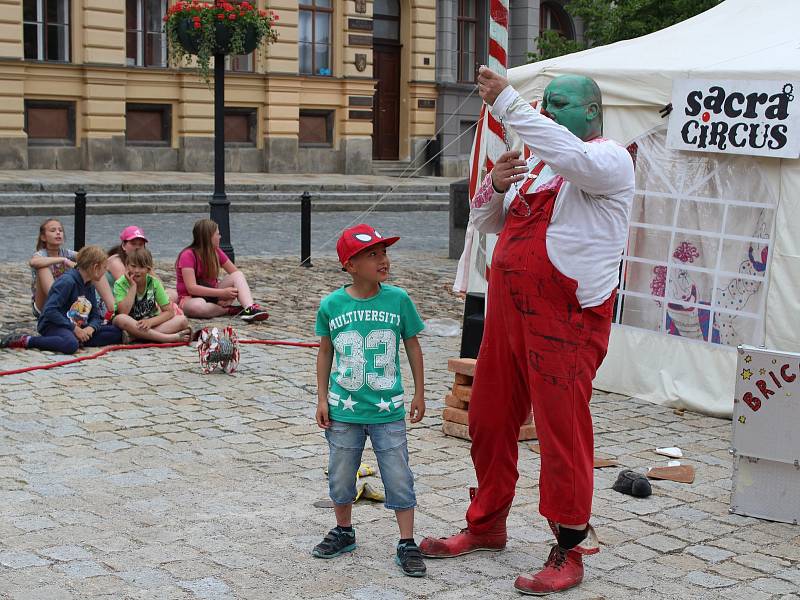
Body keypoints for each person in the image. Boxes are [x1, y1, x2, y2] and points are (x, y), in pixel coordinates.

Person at [419, 67, 635, 595]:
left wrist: (508, 103)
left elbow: (573, 158)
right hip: (508, 314)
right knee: (489, 419)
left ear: (590, 111)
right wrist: (493, 186)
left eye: (558, 103)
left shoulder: (607, 160)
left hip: (566, 321)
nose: (546, 111)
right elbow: (489, 223)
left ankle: (569, 546)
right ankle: (487, 522)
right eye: (543, 102)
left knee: (562, 433)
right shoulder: (537, 164)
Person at [312, 223, 427, 577]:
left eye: (384, 252)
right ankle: (344, 531)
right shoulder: (332, 305)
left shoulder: (398, 300)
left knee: (398, 474)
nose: (383, 260)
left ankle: (407, 541)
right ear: (350, 265)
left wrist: (420, 391)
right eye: (372, 254)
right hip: (344, 410)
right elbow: (325, 351)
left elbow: (412, 345)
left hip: (387, 410)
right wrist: (321, 398)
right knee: (340, 473)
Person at [1, 245, 123, 353]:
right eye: (104, 267)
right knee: (70, 345)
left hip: (78, 326)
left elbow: (95, 315)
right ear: (95, 267)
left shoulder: (89, 284)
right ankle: (28, 340)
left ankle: (76, 338)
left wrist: (91, 328)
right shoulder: (67, 281)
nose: (105, 271)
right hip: (55, 324)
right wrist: (74, 329)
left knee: (116, 333)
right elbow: (50, 311)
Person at [175, 219, 268, 322]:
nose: (220, 237)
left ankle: (249, 308)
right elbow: (192, 288)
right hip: (190, 298)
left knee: (238, 275)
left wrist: (231, 296)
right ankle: (228, 310)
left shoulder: (216, 252)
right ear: (209, 237)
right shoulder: (187, 255)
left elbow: (235, 273)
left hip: (213, 294)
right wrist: (222, 293)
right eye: (217, 234)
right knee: (197, 307)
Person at [112, 247, 191, 344]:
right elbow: (123, 312)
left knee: (182, 320)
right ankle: (168, 338)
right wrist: (133, 287)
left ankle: (135, 337)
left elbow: (169, 312)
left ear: (148, 269)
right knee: (120, 319)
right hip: (130, 324)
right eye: (133, 266)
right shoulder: (120, 283)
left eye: (141, 267)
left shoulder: (154, 283)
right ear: (127, 266)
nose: (136, 270)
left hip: (149, 324)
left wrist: (151, 322)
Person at [96, 225, 179, 313]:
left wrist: (147, 267)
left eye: (140, 244)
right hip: (118, 301)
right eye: (133, 244)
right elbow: (129, 287)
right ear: (124, 245)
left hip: (137, 298)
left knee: (172, 294)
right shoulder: (116, 262)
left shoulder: (141, 263)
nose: (137, 247)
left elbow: (159, 285)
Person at [29, 218, 77, 318]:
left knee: (90, 264)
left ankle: (107, 309)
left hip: (67, 301)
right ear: (43, 237)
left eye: (60, 230)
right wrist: (63, 260)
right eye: (53, 230)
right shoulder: (41, 254)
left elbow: (88, 257)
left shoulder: (67, 253)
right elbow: (33, 262)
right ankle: (57, 309)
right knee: (43, 267)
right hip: (44, 304)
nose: (58, 233)